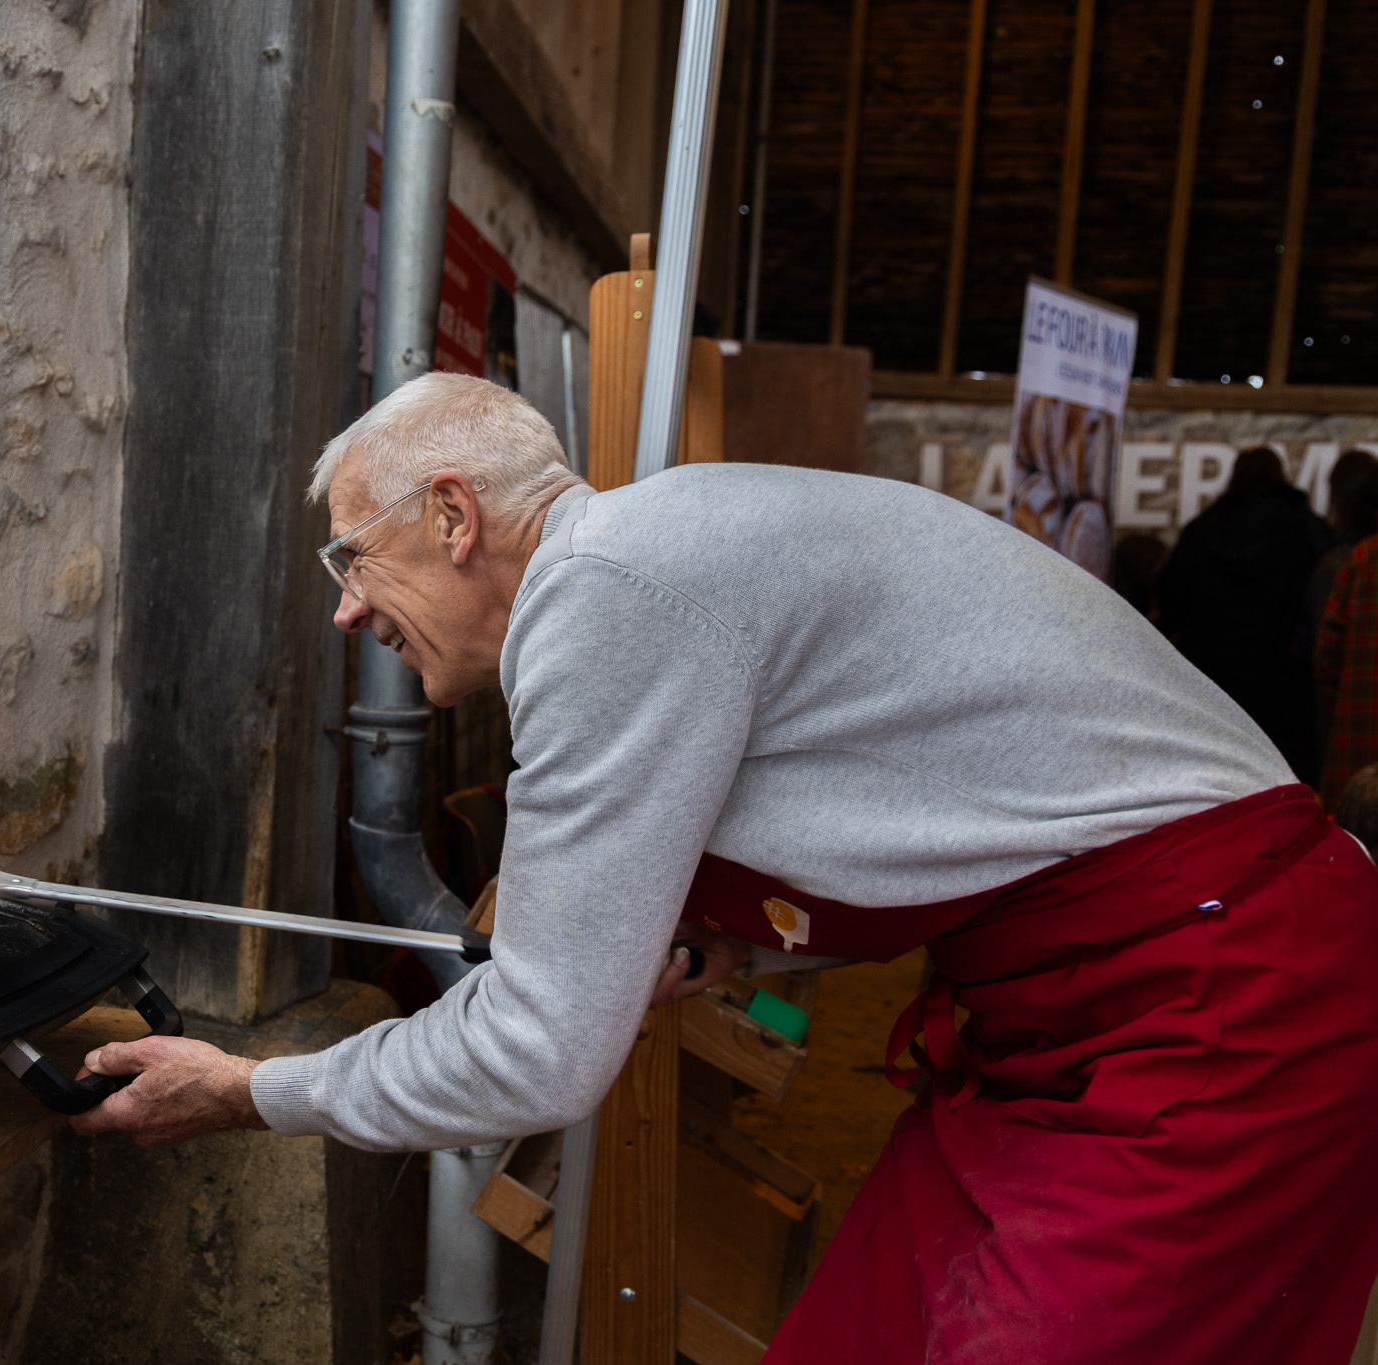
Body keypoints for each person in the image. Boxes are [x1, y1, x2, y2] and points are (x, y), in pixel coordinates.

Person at [71, 373, 1378, 1364]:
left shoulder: (603, 591)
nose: (348, 607)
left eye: (353, 557)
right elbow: (929, 801)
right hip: (1077, 1013)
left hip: (1227, 1001)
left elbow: (539, 1055)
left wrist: (246, 1090)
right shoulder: (656, 556)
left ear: (453, 516)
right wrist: (721, 945)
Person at [1156, 446, 1331, 781]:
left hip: (1214, 686)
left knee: (1215, 780)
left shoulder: (1201, 529)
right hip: (1284, 687)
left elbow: (1171, 600)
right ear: (1280, 476)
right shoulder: (1307, 529)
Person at [1316, 470, 1378, 808]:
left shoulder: (1363, 557)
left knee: (1355, 833)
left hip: (1360, 733)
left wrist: (1347, 702)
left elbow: (1327, 654)